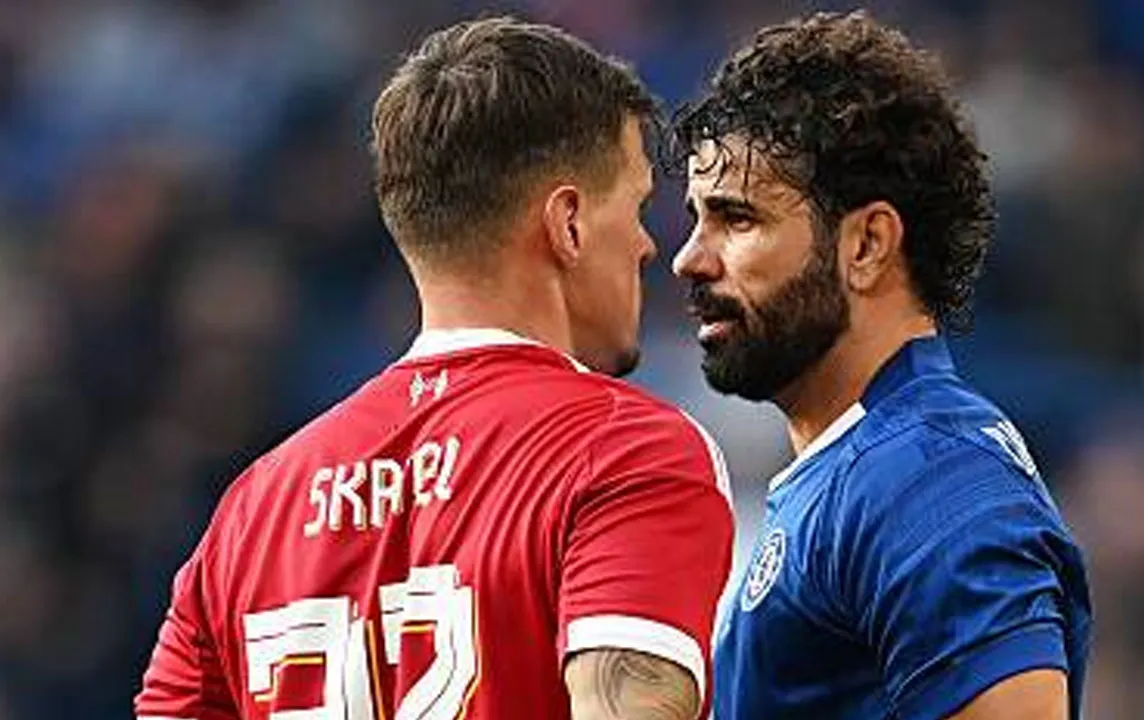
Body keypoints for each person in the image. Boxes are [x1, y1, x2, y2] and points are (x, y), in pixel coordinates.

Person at [136, 17, 734, 720]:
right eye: (635, 207)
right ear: (567, 223)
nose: (645, 246)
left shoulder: (252, 511)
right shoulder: (625, 453)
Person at [671, 11, 1091, 720]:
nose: (690, 257)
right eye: (695, 218)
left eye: (737, 219)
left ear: (866, 244)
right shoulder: (868, 466)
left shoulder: (931, 478)